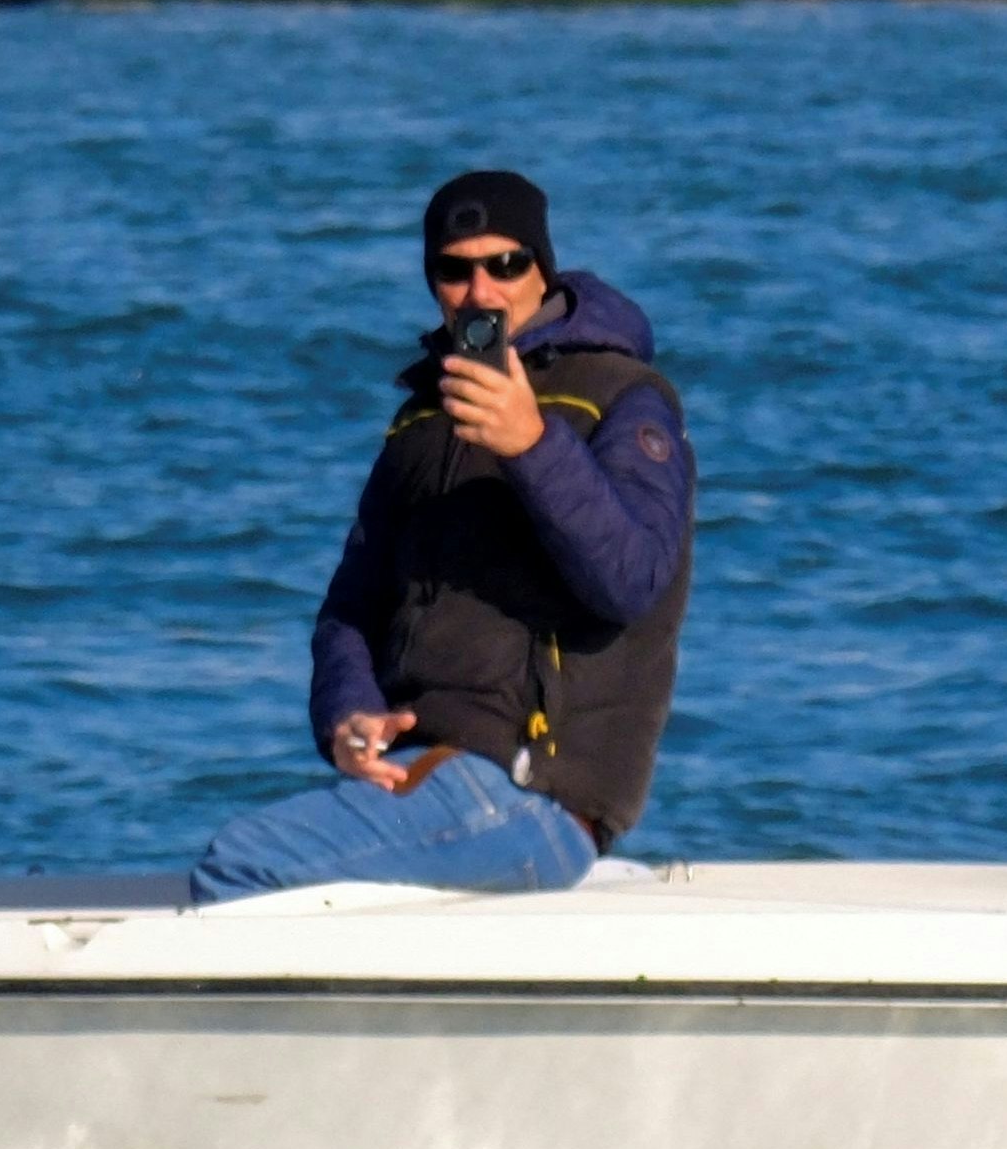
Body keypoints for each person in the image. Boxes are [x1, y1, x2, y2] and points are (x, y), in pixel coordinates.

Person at [191, 171, 695, 904]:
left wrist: (531, 444)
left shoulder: (621, 397)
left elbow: (633, 579)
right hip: (432, 770)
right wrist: (349, 715)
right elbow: (351, 609)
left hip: (538, 792)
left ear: (542, 268)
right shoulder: (424, 417)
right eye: (454, 270)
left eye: (505, 265)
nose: (481, 292)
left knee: (242, 866)